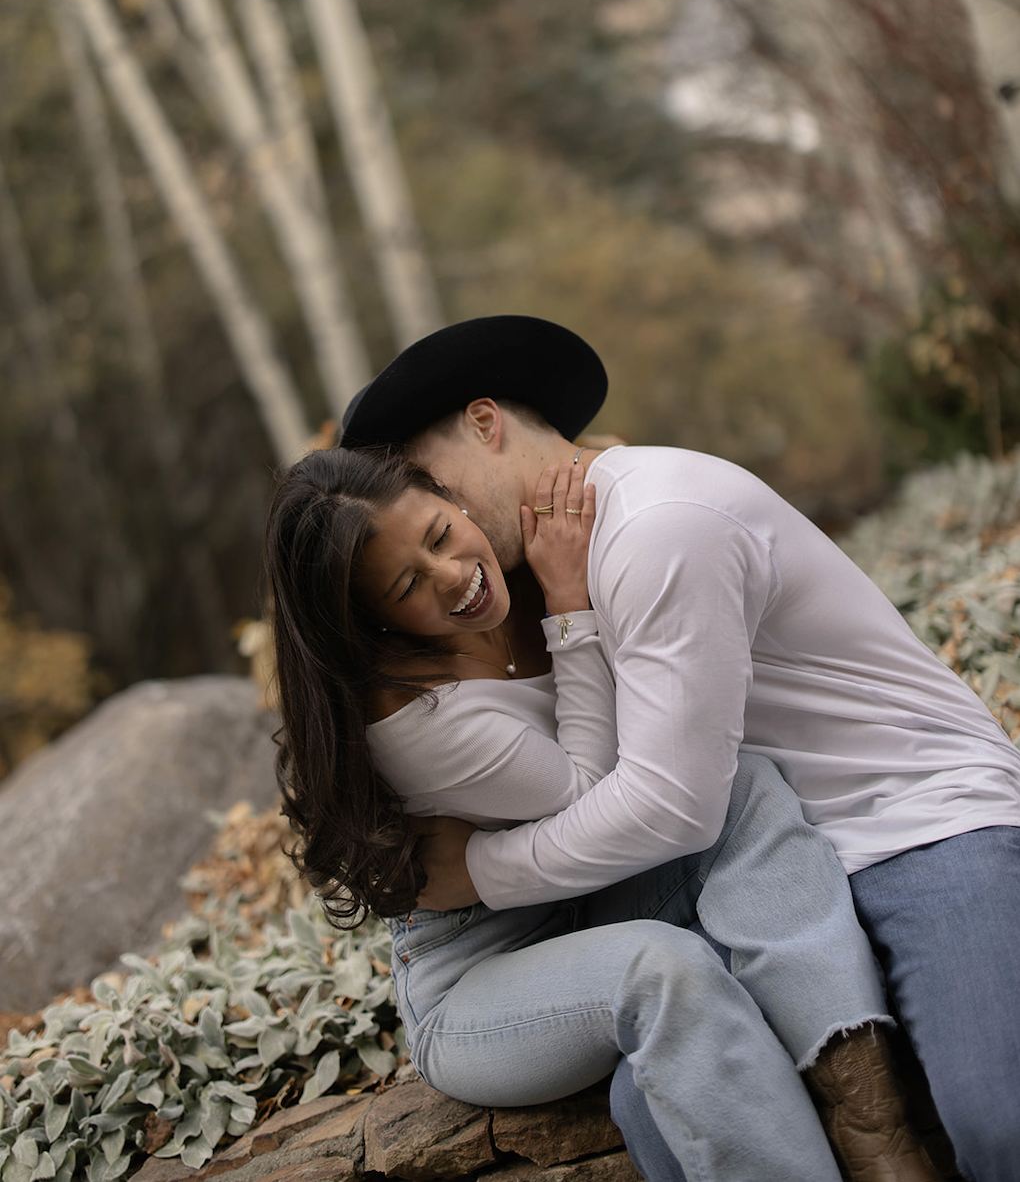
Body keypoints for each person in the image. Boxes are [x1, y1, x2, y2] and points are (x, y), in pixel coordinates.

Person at [336, 314, 1020, 1182]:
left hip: (908, 824)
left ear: (485, 422)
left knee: (1001, 1128)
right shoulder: (526, 588)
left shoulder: (657, 525)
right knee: (651, 1103)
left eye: (433, 493)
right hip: (769, 870)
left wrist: (478, 872)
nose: (444, 525)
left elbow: (671, 804)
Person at [264, 442, 941, 1182]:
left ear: (449, 497)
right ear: (373, 622)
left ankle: (870, 1114)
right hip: (478, 983)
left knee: (739, 784)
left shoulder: (507, 573)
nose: (455, 577)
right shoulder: (416, 718)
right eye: (408, 585)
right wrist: (566, 606)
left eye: (439, 534)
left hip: (586, 897)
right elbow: (588, 789)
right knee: (660, 970)